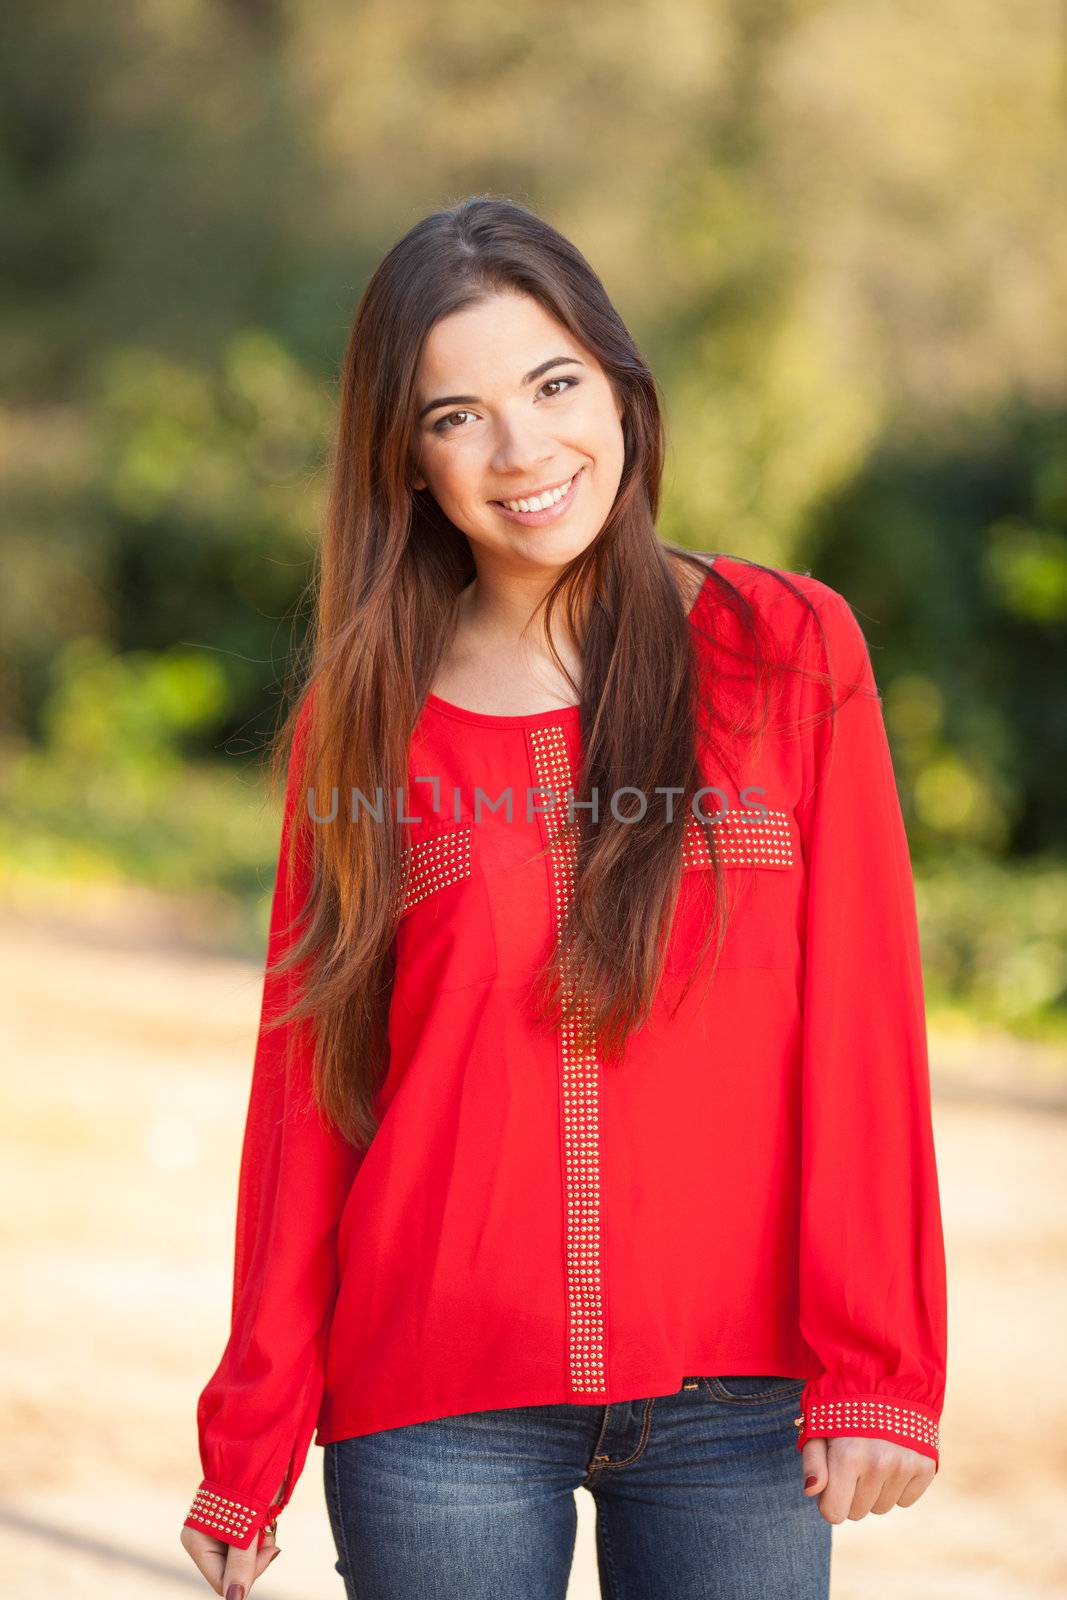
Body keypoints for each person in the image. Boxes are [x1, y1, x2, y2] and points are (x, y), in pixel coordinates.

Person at [179, 196, 947, 1600]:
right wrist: (251, 1431)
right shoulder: (365, 726)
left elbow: (864, 1025)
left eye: (554, 385)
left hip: (743, 1404)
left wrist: (879, 1365)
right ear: (404, 463)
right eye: (456, 416)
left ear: (622, 390)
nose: (526, 452)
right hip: (436, 1412)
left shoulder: (787, 652)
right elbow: (310, 1092)